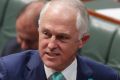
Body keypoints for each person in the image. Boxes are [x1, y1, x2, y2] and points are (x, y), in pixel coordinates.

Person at [0, 0, 119, 80]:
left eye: (62, 37)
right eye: (46, 34)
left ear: (82, 40)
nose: (51, 45)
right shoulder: (9, 72)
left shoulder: (105, 77)